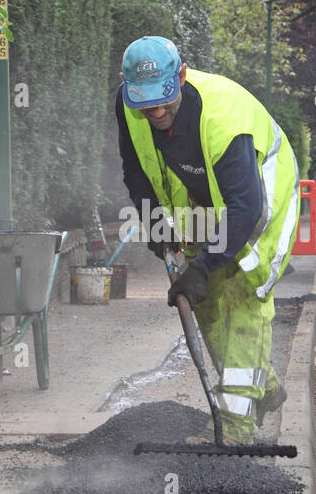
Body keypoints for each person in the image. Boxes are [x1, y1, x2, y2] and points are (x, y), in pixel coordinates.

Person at [115, 36, 300, 444]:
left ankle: (237, 427)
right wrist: (158, 227)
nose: (156, 112)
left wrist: (202, 267)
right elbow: (136, 171)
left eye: (164, 100)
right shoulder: (129, 106)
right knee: (205, 300)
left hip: (261, 200)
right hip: (204, 203)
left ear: (180, 76)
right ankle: (262, 387)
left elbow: (245, 208)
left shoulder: (223, 117)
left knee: (241, 295)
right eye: (145, 103)